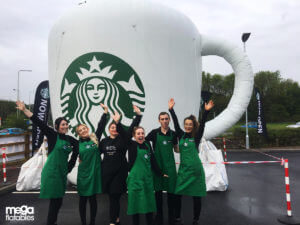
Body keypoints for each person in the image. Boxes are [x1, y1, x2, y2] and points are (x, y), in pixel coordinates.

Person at [16, 100, 78, 225]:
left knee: (58, 201)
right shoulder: (52, 135)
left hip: (61, 173)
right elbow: (38, 121)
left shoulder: (70, 139)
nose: (65, 126)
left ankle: (52, 222)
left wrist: (69, 166)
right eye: (62, 125)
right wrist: (24, 110)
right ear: (57, 126)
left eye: (66, 124)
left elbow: (78, 149)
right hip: (52, 173)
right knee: (55, 201)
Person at [112, 110, 167, 225]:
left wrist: (160, 173)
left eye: (142, 133)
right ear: (134, 136)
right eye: (138, 133)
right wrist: (118, 122)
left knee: (148, 206)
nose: (141, 135)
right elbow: (123, 133)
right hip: (135, 181)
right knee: (135, 207)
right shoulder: (131, 144)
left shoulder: (147, 144)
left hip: (147, 180)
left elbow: (153, 160)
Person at [168, 98, 214, 225]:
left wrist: (206, 112)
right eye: (186, 124)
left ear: (193, 126)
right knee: (177, 194)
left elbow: (203, 124)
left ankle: (196, 219)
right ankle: (177, 216)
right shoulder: (181, 134)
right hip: (183, 170)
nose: (188, 126)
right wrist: (171, 110)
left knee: (196, 196)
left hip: (195, 171)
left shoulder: (196, 137)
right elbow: (176, 123)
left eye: (190, 124)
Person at [99, 105, 142, 225]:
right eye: (111, 127)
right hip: (107, 173)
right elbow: (96, 154)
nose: (114, 129)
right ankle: (115, 218)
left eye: (115, 127)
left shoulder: (123, 139)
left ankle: (113, 220)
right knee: (112, 198)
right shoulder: (104, 141)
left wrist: (138, 115)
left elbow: (132, 127)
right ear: (108, 129)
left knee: (114, 196)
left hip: (119, 173)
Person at [146, 112, 182, 225]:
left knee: (171, 193)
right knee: (158, 192)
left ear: (169, 120)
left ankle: (171, 215)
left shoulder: (173, 134)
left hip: (170, 167)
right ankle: (159, 215)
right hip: (158, 167)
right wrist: (150, 154)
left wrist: (188, 148)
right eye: (162, 119)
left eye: (166, 119)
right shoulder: (154, 133)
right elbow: (145, 143)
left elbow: (176, 149)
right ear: (159, 120)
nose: (164, 121)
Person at [76, 103, 108, 225]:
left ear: (87, 129)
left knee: (93, 200)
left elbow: (101, 126)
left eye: (84, 128)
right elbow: (71, 155)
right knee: (83, 200)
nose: (83, 130)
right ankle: (83, 223)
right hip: (83, 175)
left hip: (94, 173)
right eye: (80, 130)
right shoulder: (76, 143)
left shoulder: (94, 138)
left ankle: (92, 222)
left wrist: (105, 113)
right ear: (78, 133)